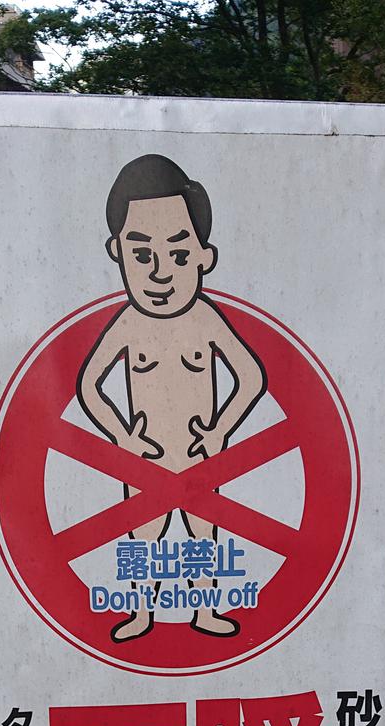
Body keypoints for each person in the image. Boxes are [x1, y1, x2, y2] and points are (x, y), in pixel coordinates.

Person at [77, 153, 267, 642]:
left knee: (205, 536)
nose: (161, 272)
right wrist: (121, 436)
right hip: (145, 459)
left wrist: (222, 427)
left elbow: (250, 376)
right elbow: (88, 385)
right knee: (141, 539)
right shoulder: (126, 323)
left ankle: (205, 612)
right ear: (116, 251)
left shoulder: (205, 318)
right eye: (142, 254)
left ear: (205, 257)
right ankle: (141, 613)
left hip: (201, 457)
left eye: (180, 255)